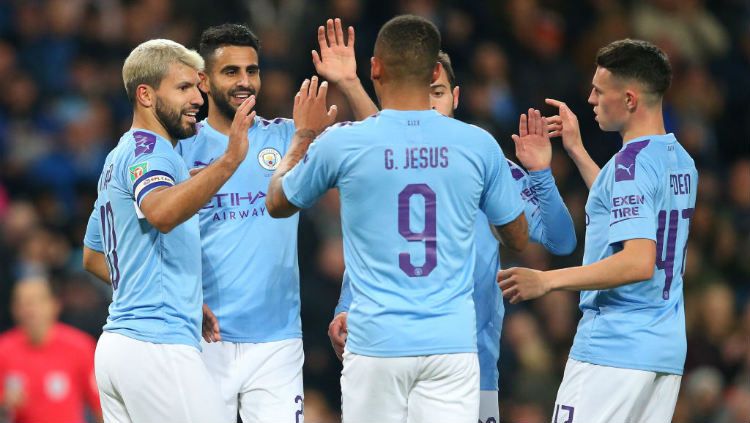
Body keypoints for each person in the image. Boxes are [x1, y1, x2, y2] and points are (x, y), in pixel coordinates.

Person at [266, 15, 529, 423]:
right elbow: (517, 237)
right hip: (451, 345)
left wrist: (301, 137)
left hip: (376, 342)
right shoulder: (478, 145)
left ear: (375, 68)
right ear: (435, 72)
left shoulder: (345, 142)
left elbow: (278, 201)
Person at [328, 50, 577, 423]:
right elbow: (371, 253)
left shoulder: (491, 168)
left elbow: (562, 241)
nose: (430, 105)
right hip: (393, 358)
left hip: (472, 366)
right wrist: (343, 309)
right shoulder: (385, 165)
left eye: (439, 92)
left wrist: (540, 172)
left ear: (456, 97)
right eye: (422, 94)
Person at [176, 20, 375, 422]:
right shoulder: (179, 148)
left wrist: (351, 82)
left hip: (277, 343)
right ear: (203, 79)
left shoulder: (287, 137)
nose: (244, 81)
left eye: (252, 70)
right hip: (201, 338)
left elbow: (379, 144)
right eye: (231, 71)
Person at [498, 39, 698, 423]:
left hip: (614, 346)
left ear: (629, 99)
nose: (590, 99)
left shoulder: (630, 165)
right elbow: (619, 209)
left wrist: (547, 280)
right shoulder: (678, 159)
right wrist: (574, 149)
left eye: (598, 90)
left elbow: (638, 261)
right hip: (663, 352)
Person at [81, 38, 255, 422]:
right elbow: (160, 212)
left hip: (118, 350)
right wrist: (229, 161)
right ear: (145, 94)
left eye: (197, 86)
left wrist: (180, 295)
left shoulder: (118, 157)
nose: (197, 98)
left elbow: (93, 256)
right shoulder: (152, 152)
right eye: (183, 88)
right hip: (156, 346)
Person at [0, 277, 102, 423]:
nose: (28, 310)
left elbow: (100, 407)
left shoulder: (80, 347)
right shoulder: (3, 350)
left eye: (35, 301)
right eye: (21, 303)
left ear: (54, 305)